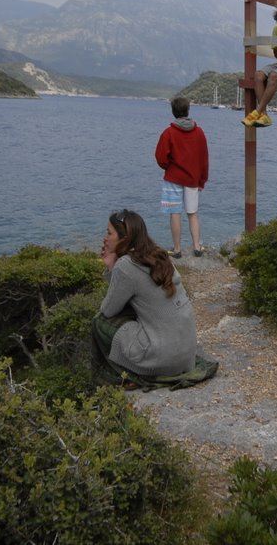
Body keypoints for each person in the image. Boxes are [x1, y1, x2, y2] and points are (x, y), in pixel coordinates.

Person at [91, 209, 203, 389]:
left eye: (109, 233)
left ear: (124, 239)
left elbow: (108, 310)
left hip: (163, 359)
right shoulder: (159, 254)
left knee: (99, 323)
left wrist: (111, 266)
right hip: (187, 357)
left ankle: (122, 375)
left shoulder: (126, 265)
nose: (105, 237)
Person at [155, 96, 208, 258]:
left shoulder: (169, 133)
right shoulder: (199, 132)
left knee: (175, 213)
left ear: (173, 112)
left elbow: (160, 157)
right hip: (192, 179)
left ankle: (177, 249)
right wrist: (202, 180)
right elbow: (204, 158)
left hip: (173, 178)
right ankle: (197, 247)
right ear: (188, 110)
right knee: (192, 213)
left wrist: (169, 167)